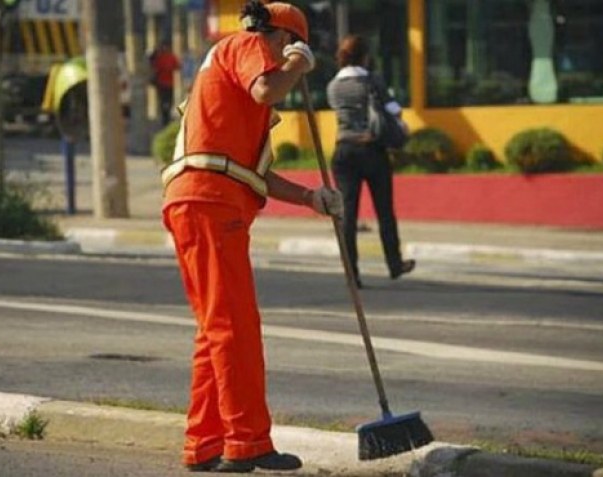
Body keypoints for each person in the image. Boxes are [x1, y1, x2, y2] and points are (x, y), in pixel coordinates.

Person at [160, 1, 343, 473]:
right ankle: (246, 442)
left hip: (199, 199)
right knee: (235, 327)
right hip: (210, 203)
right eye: (290, 46)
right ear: (280, 37)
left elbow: (253, 173)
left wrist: (310, 197)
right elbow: (267, 89)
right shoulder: (246, 46)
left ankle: (204, 444)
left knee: (215, 329)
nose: (287, 58)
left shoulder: (227, 78)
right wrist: (298, 65)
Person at [326, 34, 415, 289]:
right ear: (365, 56)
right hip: (372, 150)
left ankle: (351, 273)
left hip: (343, 151)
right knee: (384, 210)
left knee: (347, 216)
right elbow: (394, 110)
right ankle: (394, 263)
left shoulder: (333, 85)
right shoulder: (373, 80)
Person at [149, 41, 180, 126]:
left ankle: (166, 117)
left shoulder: (165, 57)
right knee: (165, 102)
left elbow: (177, 66)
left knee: (166, 102)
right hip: (164, 84)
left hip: (166, 84)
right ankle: (165, 117)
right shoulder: (163, 57)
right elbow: (177, 66)